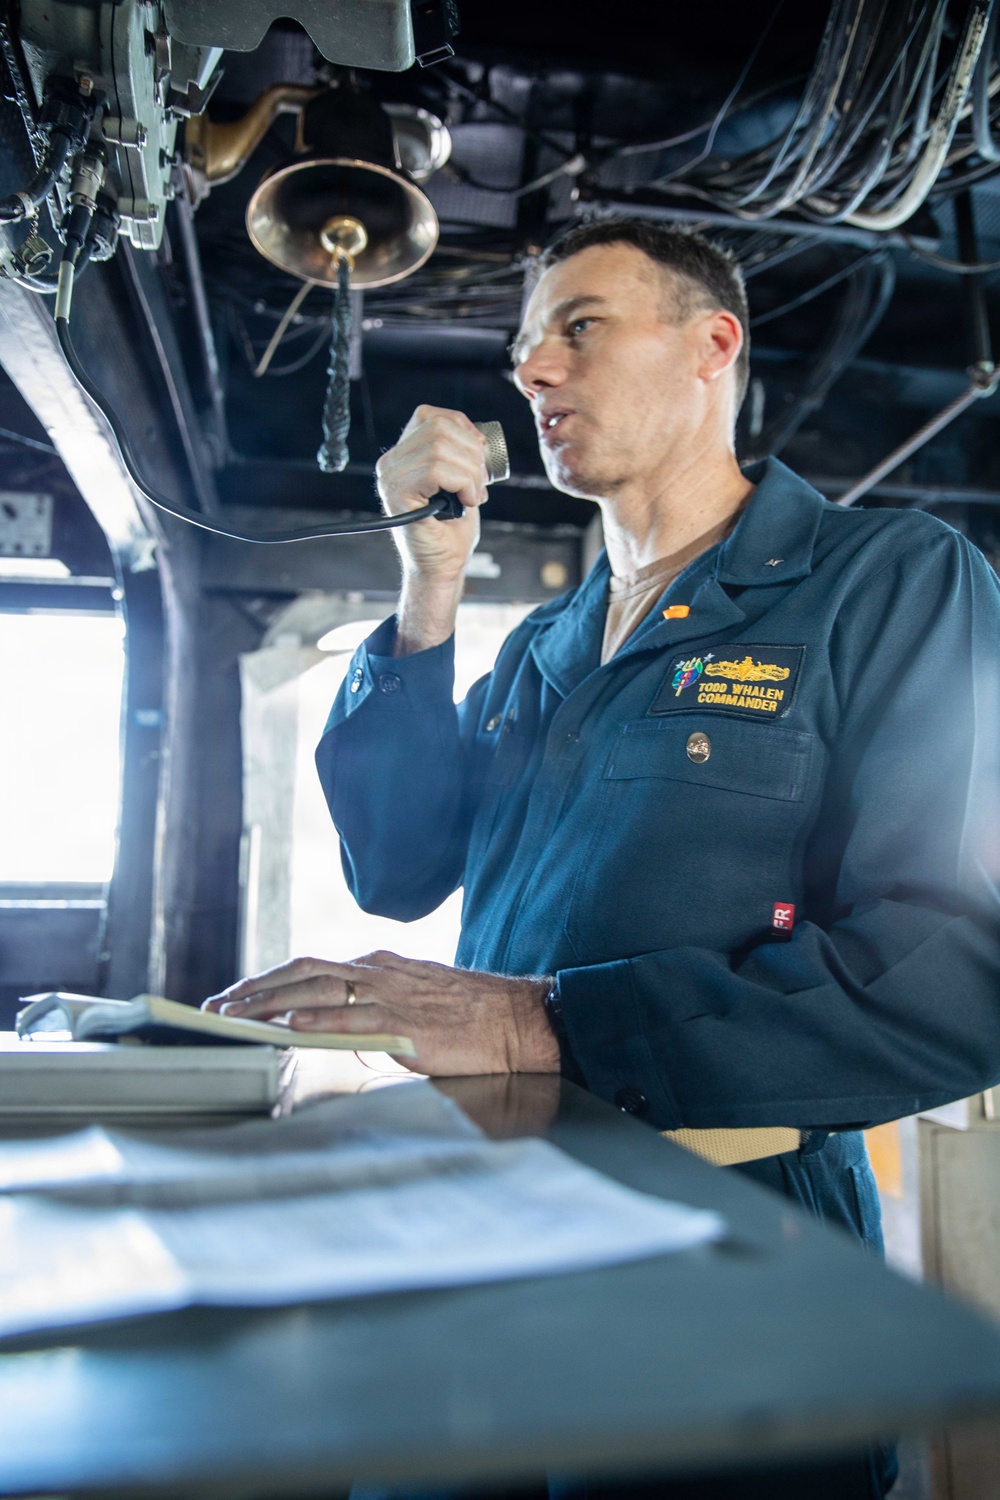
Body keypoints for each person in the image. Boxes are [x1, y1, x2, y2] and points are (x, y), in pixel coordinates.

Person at [206, 221, 1000, 1499]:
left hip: (737, 1257)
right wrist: (431, 584)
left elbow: (957, 976)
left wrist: (542, 1028)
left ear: (712, 346)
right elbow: (397, 864)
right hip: (497, 1229)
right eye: (524, 348)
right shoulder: (543, 648)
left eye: (579, 326)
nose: (534, 372)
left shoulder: (885, 582)